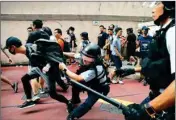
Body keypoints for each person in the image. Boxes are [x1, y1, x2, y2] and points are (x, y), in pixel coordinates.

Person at [121, 1, 175, 120]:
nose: (153, 9)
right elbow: (162, 65)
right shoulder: (163, 31)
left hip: (169, 104)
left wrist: (148, 109)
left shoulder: (173, 32)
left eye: (158, 3)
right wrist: (132, 70)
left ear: (169, 6)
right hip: (157, 95)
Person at [4, 36, 73, 112]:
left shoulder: (33, 52)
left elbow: (51, 59)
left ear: (13, 47)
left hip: (49, 71)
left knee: (53, 94)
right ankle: (29, 100)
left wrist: (48, 66)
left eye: (9, 48)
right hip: (39, 68)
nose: (9, 50)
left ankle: (68, 103)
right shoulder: (28, 47)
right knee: (25, 78)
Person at [59, 43, 110, 120]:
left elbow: (78, 78)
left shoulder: (96, 68)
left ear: (94, 59)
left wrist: (64, 68)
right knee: (75, 85)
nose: (84, 61)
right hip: (90, 83)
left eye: (87, 60)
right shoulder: (85, 58)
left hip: (99, 88)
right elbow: (73, 55)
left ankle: (72, 116)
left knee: (87, 104)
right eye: (84, 58)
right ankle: (75, 100)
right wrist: (61, 52)